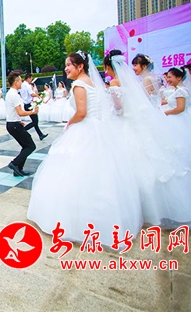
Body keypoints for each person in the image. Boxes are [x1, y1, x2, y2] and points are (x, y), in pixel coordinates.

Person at [27, 51, 142, 246]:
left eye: (69, 65)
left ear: (80, 66)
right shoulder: (92, 82)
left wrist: (69, 123)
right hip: (99, 129)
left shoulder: (79, 85)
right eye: (65, 65)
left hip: (85, 129)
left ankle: (76, 221)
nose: (66, 69)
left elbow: (81, 112)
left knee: (76, 171)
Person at [103, 51, 191, 229]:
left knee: (130, 161)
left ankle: (136, 206)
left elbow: (120, 107)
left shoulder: (116, 82)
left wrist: (111, 111)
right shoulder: (133, 82)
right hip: (139, 121)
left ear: (109, 67)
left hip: (125, 123)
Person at [5, 73, 38, 176]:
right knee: (31, 146)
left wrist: (18, 121)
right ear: (16, 82)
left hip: (13, 123)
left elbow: (13, 111)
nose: (21, 83)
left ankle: (18, 169)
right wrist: (33, 112)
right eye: (20, 81)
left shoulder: (10, 93)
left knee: (25, 146)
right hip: (14, 125)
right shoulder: (14, 95)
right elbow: (20, 112)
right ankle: (14, 163)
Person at [20, 74, 48, 141]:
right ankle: (23, 130)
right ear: (28, 78)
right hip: (30, 104)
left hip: (25, 104)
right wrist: (38, 96)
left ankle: (40, 135)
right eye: (31, 79)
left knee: (34, 120)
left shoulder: (21, 85)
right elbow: (31, 94)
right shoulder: (28, 85)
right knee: (35, 121)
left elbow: (19, 93)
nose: (31, 80)